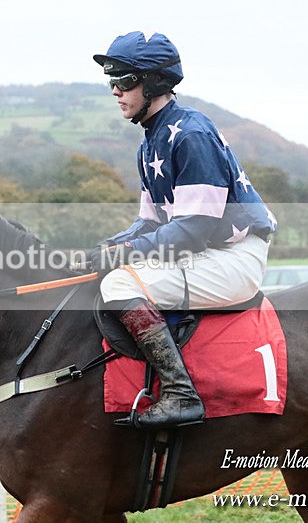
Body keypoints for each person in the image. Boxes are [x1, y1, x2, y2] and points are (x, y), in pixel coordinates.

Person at [89, 31, 277, 429]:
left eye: (124, 81)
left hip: (233, 258)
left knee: (119, 286)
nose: (115, 92)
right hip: (206, 253)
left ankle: (180, 393)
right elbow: (150, 223)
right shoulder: (150, 142)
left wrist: (122, 255)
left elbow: (192, 230)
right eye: (111, 82)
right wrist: (105, 247)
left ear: (154, 82)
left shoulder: (190, 134)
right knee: (107, 270)